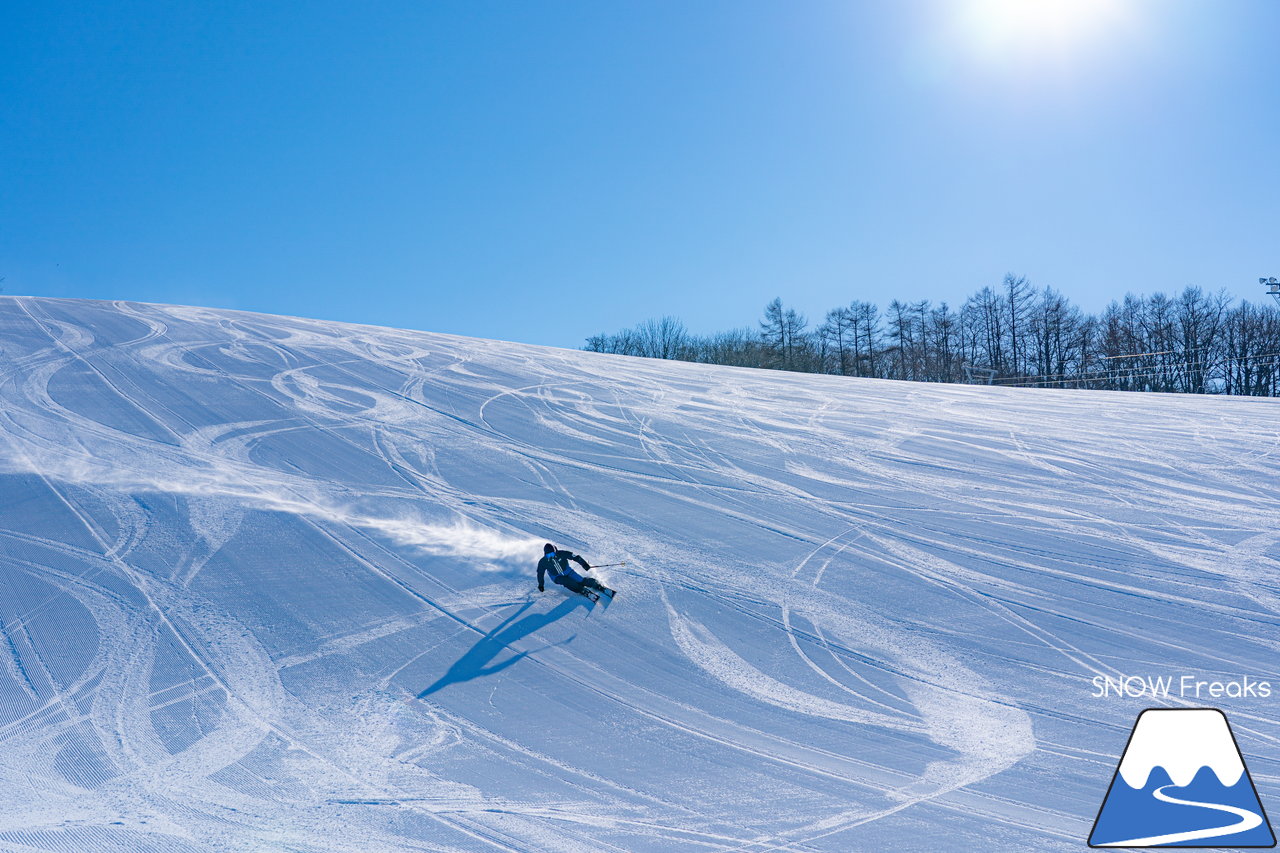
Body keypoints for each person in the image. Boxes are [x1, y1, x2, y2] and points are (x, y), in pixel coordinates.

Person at [537, 543, 615, 599]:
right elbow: (540, 573)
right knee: (567, 581)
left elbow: (576, 557)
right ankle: (581, 590)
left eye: (552, 554)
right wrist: (541, 585)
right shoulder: (543, 562)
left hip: (568, 571)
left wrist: (584, 564)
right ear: (545, 554)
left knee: (581, 580)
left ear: (555, 552)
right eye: (548, 555)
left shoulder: (562, 553)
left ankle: (597, 585)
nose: (551, 557)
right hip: (557, 577)